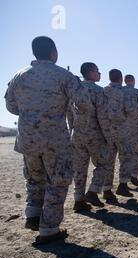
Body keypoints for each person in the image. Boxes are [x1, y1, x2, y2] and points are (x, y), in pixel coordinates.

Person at [5, 36, 91, 244]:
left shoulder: (20, 75)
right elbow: (84, 103)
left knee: (34, 178)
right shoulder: (64, 76)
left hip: (27, 137)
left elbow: (10, 106)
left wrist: (31, 114)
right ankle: (49, 229)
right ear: (54, 52)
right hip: (54, 138)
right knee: (58, 180)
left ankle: (33, 214)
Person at [70, 62, 112, 212]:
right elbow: (103, 116)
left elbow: (69, 114)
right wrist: (108, 136)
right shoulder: (98, 91)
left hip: (77, 134)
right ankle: (93, 191)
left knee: (79, 169)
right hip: (95, 134)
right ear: (89, 72)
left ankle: (78, 200)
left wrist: (72, 131)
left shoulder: (75, 89)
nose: (99, 74)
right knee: (104, 163)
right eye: (97, 71)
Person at [102, 69, 138, 199]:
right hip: (122, 130)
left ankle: (106, 190)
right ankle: (122, 185)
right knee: (127, 157)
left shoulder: (103, 91)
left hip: (106, 131)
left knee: (108, 160)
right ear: (121, 78)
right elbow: (131, 110)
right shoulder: (124, 92)